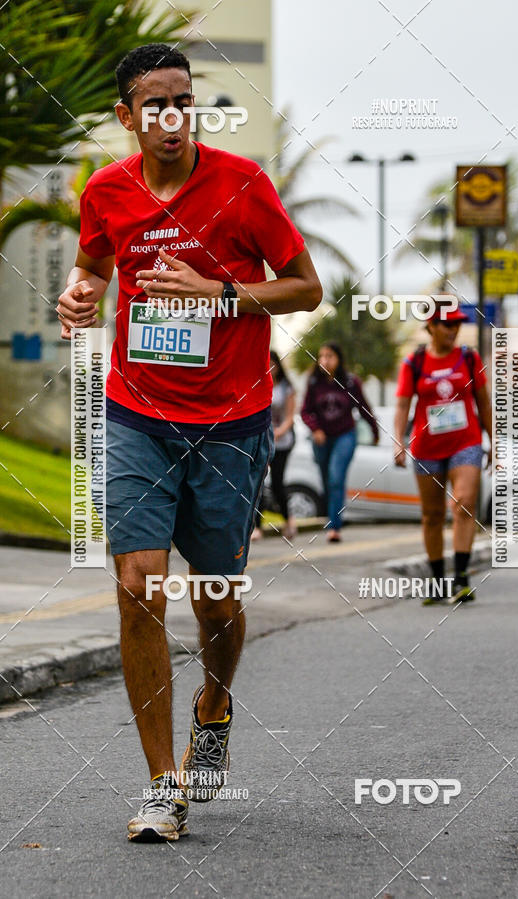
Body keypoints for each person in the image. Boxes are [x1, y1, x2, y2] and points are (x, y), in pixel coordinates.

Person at [56, 44, 321, 842]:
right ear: (127, 116)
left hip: (231, 423)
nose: (173, 117)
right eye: (156, 104)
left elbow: (307, 286)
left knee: (216, 596)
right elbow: (93, 267)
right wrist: (80, 297)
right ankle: (161, 786)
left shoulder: (243, 185)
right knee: (137, 583)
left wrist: (221, 293)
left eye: (185, 101)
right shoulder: (105, 191)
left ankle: (214, 700)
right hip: (137, 414)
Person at [394, 303, 492, 605]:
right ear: (432, 326)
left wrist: (495, 439)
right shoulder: (415, 362)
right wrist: (398, 441)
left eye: (457, 324)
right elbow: (401, 406)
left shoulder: (468, 358)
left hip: (466, 441)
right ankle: (437, 582)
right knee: (432, 515)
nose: (454, 330)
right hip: (427, 447)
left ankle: (461, 578)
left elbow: (484, 403)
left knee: (463, 502)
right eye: (447, 324)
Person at [301, 342, 378, 542]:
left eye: (330, 356)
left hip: (345, 435)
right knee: (327, 481)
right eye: (322, 356)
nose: (325, 360)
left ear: (338, 359)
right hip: (321, 439)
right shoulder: (313, 383)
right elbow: (305, 411)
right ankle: (331, 518)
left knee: (336, 477)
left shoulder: (350, 382)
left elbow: (364, 408)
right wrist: (315, 429)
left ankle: (335, 527)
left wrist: (375, 430)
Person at [252, 350, 297, 540]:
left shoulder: (287, 388)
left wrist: (279, 432)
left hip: (282, 441)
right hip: (263, 439)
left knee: (277, 483)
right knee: (259, 482)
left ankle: (288, 520)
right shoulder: (257, 384)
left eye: (273, 364)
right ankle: (257, 527)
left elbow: (290, 417)